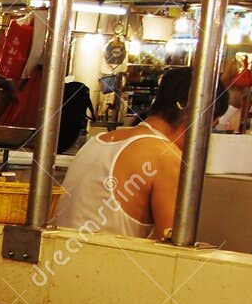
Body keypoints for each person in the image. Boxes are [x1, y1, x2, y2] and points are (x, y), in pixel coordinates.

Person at [54, 67, 224, 240]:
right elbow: (173, 251)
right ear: (199, 119)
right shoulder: (167, 156)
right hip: (110, 264)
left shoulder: (98, 141)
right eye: (212, 127)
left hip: (59, 259)